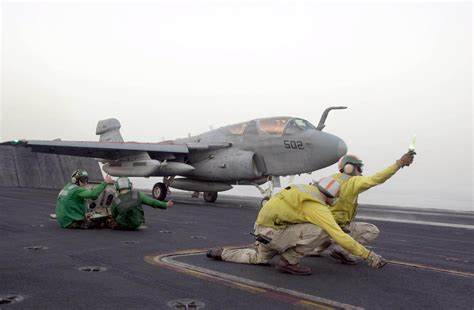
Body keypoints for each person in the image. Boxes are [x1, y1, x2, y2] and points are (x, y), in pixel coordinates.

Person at [206, 178, 386, 275]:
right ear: (331, 196)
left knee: (260, 259)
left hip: (261, 230)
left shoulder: (303, 189)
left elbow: (293, 214)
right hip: (274, 234)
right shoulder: (316, 204)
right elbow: (337, 235)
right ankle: (289, 261)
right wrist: (369, 256)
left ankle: (221, 253)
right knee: (323, 230)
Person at [311, 151, 415, 264]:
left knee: (323, 233)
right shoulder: (353, 181)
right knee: (372, 230)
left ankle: (315, 248)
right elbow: (376, 178)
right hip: (340, 227)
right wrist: (399, 164)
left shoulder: (328, 179)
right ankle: (344, 249)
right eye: (359, 168)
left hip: (321, 226)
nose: (360, 171)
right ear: (349, 168)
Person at [109, 177, 174, 230]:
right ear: (130, 185)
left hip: (122, 226)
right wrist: (165, 204)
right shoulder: (137, 194)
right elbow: (152, 202)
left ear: (117, 187)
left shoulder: (115, 201)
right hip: (136, 225)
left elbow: (113, 215)